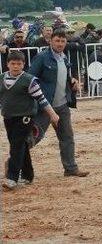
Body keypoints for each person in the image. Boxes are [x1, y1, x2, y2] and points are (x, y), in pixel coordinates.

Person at [29, 29, 89, 177]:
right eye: (57, 40)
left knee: (67, 137)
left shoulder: (64, 58)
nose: (60, 44)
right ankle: (13, 162)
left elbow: (64, 78)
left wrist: (73, 82)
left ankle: (70, 169)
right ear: (51, 41)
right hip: (45, 107)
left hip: (62, 106)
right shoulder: (42, 58)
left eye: (63, 41)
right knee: (34, 137)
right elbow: (30, 79)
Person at [1, 51, 60, 190]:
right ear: (7, 64)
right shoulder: (1, 79)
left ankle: (12, 178)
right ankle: (28, 175)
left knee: (16, 145)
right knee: (21, 146)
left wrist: (53, 115)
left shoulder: (29, 80)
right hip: (9, 117)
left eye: (19, 64)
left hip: (25, 117)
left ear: (24, 65)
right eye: (13, 64)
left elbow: (42, 99)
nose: (16, 66)